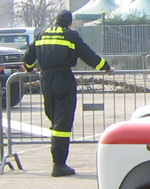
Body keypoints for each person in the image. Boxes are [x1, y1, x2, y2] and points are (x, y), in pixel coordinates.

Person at [23, 10, 111, 177]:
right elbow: (88, 55)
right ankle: (59, 164)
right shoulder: (70, 35)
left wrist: (29, 69)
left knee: (54, 118)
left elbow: (27, 57)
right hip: (63, 79)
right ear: (70, 23)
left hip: (46, 79)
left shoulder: (42, 34)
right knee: (62, 123)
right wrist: (106, 67)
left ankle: (58, 160)